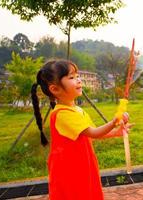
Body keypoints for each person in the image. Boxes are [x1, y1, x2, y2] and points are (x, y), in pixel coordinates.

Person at [31, 60, 132, 200]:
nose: (78, 79)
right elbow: (93, 133)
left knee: (87, 193)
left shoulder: (77, 110)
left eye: (77, 75)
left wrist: (116, 132)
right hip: (70, 170)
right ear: (55, 89)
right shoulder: (62, 114)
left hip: (83, 164)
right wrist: (113, 122)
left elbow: (92, 134)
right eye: (71, 77)